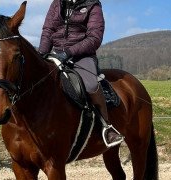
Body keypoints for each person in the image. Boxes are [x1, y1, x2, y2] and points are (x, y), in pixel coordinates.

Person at [38, 0, 123, 147]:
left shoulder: (93, 5)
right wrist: (42, 54)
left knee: (90, 85)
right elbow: (48, 30)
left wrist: (69, 52)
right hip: (56, 53)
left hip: (82, 56)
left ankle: (106, 127)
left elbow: (94, 38)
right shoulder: (56, 3)